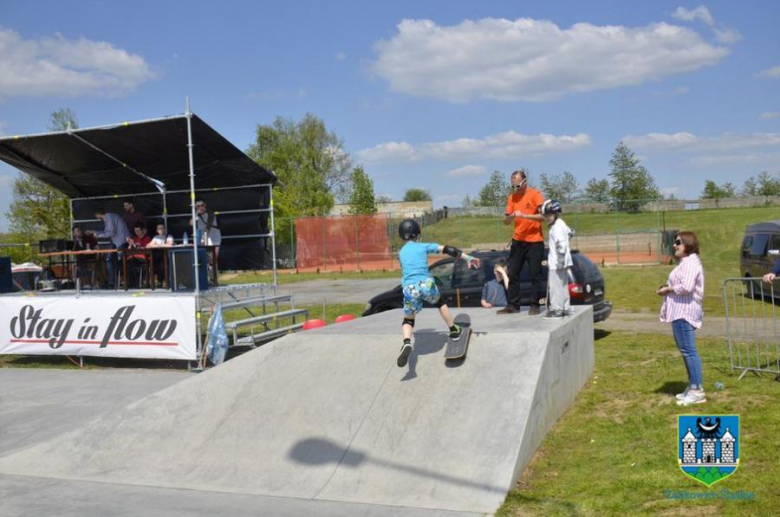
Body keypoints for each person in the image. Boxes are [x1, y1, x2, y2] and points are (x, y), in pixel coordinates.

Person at [396, 219, 481, 368]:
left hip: (409, 288)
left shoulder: (401, 253)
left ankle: (407, 342)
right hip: (425, 283)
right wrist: (468, 257)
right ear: (417, 234)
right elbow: (448, 250)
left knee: (408, 319)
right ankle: (453, 329)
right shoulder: (422, 246)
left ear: (401, 236)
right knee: (440, 302)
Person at [657, 232, 706, 407]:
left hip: (684, 312)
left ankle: (697, 390)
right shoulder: (685, 263)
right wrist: (668, 288)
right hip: (680, 311)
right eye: (674, 242)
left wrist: (667, 289)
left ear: (688, 244)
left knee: (689, 351)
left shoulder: (691, 263)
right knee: (686, 350)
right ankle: (693, 386)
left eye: (678, 242)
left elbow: (686, 287)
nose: (674, 245)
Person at [498, 169, 546, 315]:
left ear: (524, 182)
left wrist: (525, 215)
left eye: (518, 185)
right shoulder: (512, 198)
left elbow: (543, 216)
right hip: (518, 241)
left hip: (534, 241)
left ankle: (535, 304)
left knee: (535, 274)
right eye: (513, 186)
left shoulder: (535, 194)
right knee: (512, 273)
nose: (515, 189)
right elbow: (505, 221)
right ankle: (513, 305)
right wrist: (511, 216)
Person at [540, 200, 573, 318]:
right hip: (563, 262)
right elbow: (570, 233)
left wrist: (559, 259)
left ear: (556, 213)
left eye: (549, 215)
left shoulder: (556, 227)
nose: (547, 218)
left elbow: (561, 244)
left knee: (555, 287)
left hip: (557, 263)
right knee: (563, 285)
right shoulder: (561, 223)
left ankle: (557, 310)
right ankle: (565, 308)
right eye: (546, 216)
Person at [88, 208, 131, 289]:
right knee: (109, 260)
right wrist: (94, 232)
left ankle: (120, 281)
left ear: (98, 215)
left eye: (96, 216)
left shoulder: (109, 217)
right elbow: (106, 232)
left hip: (121, 241)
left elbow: (111, 232)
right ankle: (112, 281)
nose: (97, 218)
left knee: (119, 262)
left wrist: (98, 235)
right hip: (116, 241)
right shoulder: (109, 217)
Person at [126, 222, 152, 288]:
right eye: (135, 230)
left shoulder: (147, 238)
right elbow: (129, 250)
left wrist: (134, 244)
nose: (136, 232)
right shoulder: (134, 238)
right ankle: (132, 283)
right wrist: (130, 243)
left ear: (142, 230)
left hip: (143, 258)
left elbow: (144, 249)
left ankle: (136, 283)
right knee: (126, 263)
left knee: (131, 263)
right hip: (132, 257)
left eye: (138, 230)